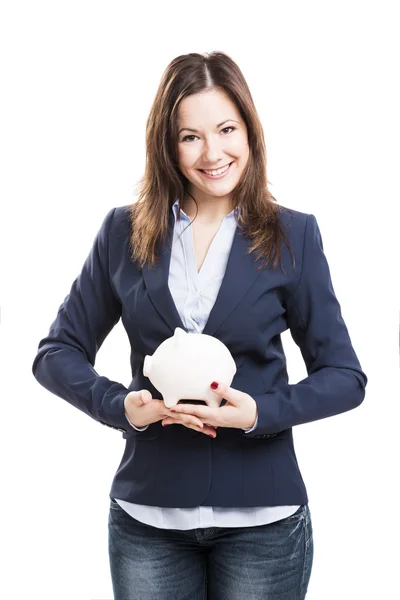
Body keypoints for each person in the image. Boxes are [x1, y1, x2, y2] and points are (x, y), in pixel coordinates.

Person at [32, 51, 367, 600]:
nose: (213, 153)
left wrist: (261, 412)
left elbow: (345, 377)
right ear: (167, 144)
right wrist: (121, 406)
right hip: (149, 522)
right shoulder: (123, 232)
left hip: (265, 520)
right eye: (191, 136)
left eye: (227, 129)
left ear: (250, 132)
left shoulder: (293, 235)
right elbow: (56, 353)